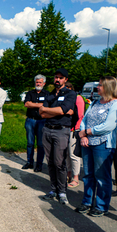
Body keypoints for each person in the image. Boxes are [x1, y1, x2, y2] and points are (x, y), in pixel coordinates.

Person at [75, 76, 117, 217]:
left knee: (102, 176)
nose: (98, 87)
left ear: (108, 87)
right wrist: (83, 136)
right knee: (89, 174)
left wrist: (88, 132)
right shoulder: (95, 102)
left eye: (101, 85)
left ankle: (101, 206)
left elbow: (109, 126)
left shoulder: (116, 104)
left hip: (103, 144)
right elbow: (85, 119)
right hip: (87, 143)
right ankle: (87, 202)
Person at [39, 68, 77, 205]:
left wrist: (49, 110)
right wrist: (60, 112)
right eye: (56, 77)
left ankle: (62, 191)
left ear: (65, 80)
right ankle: (53, 189)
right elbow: (42, 114)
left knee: (59, 162)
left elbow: (61, 109)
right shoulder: (49, 95)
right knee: (49, 162)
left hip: (61, 131)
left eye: (61, 78)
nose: (58, 80)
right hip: (47, 130)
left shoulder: (70, 94)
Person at [22, 74, 49, 172]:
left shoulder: (47, 94)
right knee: (30, 143)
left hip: (42, 121)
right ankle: (29, 162)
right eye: (37, 82)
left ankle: (39, 164)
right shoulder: (30, 93)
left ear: (44, 83)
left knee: (41, 144)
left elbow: (47, 105)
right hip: (30, 120)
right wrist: (40, 105)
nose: (38, 84)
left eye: (40, 82)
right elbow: (26, 104)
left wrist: (32, 104)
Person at [65, 82, 85, 188]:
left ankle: (76, 177)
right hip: (66, 128)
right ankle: (68, 173)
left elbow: (81, 115)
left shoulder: (78, 98)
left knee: (73, 155)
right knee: (67, 154)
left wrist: (76, 129)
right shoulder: (66, 98)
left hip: (74, 129)